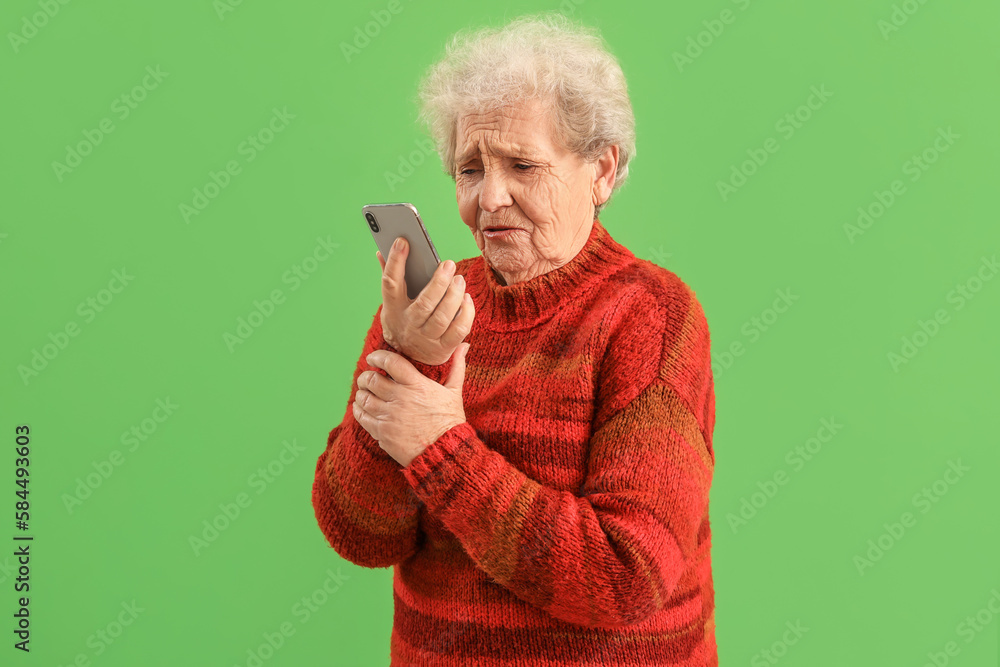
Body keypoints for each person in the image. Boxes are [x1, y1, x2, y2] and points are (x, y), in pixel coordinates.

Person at [312, 12, 717, 666]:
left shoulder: (651, 315)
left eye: (522, 165)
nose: (490, 197)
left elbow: (626, 575)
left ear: (602, 169)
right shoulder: (428, 309)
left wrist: (441, 446)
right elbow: (358, 533)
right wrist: (407, 354)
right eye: (470, 169)